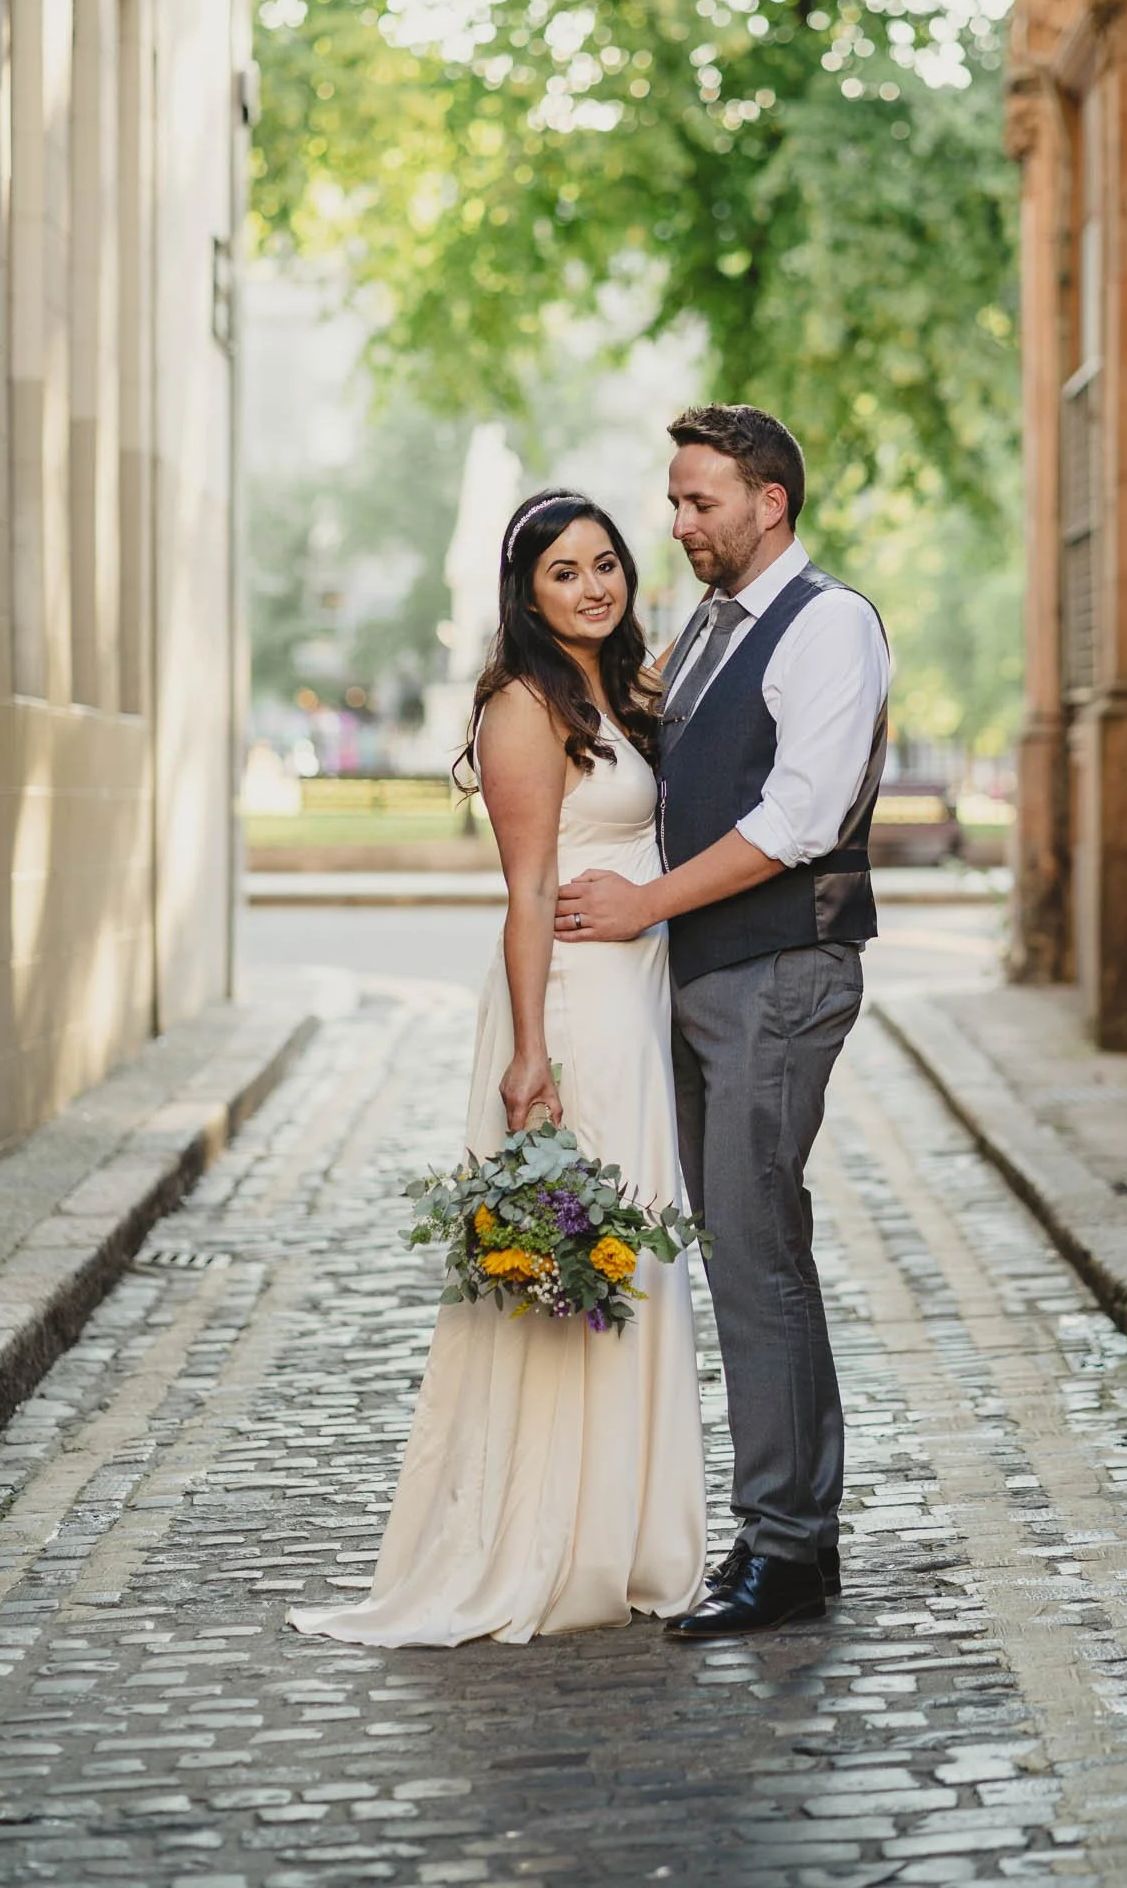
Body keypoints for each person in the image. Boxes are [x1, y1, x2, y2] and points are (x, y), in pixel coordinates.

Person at [288, 491, 705, 1647]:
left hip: (636, 999)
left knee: (636, 1255)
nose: (593, 586)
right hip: (569, 1005)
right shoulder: (525, 706)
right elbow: (526, 888)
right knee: (577, 1271)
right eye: (564, 572)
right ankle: (554, 1541)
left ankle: (628, 1537)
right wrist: (531, 1054)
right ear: (525, 592)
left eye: (608, 564)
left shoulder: (622, 689)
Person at [556, 406, 889, 1638]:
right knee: (736, 1246)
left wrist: (643, 903)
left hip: (781, 974)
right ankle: (788, 1532)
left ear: (771, 503)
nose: (679, 523)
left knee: (755, 1249)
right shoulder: (707, 630)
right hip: (705, 979)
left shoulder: (831, 625)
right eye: (676, 500)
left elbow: (801, 817)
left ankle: (788, 1550)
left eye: (702, 502)